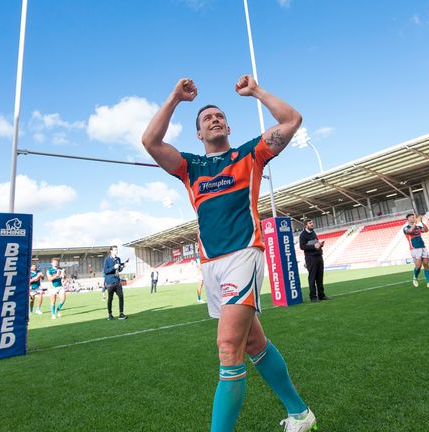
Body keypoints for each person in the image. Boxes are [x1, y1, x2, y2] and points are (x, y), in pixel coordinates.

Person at [142, 76, 316, 431]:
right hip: (210, 266)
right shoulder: (190, 167)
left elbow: (291, 121)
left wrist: (256, 92)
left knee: (227, 348)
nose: (214, 120)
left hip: (243, 256)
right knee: (254, 343)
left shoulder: (250, 154)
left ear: (229, 125)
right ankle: (301, 414)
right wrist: (175, 96)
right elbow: (150, 141)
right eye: (207, 119)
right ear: (199, 134)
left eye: (219, 116)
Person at [298, 219, 330, 302]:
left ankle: (321, 295)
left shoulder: (313, 232)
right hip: (311, 258)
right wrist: (314, 246)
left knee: (320, 277)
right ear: (306, 225)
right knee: (312, 278)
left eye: (312, 223)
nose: (312, 224)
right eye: (310, 223)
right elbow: (302, 247)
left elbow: (315, 243)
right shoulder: (303, 235)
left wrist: (320, 245)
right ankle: (313, 297)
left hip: (319, 256)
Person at [403, 214, 429, 288]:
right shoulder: (405, 228)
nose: (414, 218)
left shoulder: (418, 227)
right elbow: (410, 231)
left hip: (423, 247)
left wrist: (421, 222)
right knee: (418, 266)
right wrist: (415, 223)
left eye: (414, 217)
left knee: (426, 264)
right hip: (414, 248)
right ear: (408, 219)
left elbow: (426, 230)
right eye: (412, 217)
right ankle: (415, 277)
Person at [103, 246, 128, 320]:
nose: (116, 251)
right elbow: (105, 271)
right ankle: (110, 315)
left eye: (117, 250)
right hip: (110, 282)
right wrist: (113, 267)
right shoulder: (107, 260)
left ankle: (121, 313)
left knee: (121, 296)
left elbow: (119, 269)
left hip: (117, 281)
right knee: (110, 298)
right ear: (111, 251)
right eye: (115, 250)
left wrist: (123, 266)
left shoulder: (118, 259)